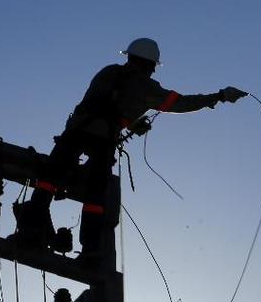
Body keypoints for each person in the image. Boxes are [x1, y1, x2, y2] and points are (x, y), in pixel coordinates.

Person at [14, 37, 247, 259]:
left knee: (48, 180)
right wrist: (220, 96)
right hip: (102, 140)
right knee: (96, 196)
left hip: (74, 132)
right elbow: (181, 103)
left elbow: (104, 104)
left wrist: (132, 123)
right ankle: (91, 250)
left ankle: (31, 231)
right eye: (153, 67)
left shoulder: (107, 72)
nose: (153, 71)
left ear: (131, 56)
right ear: (149, 65)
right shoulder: (147, 86)